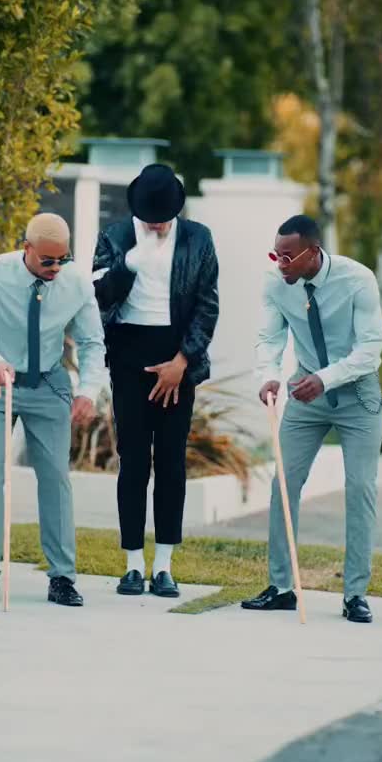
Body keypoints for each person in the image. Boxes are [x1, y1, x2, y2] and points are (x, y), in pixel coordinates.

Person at [241, 214, 382, 623]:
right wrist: (269, 375)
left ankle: (355, 594)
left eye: (287, 257)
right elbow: (270, 338)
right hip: (305, 390)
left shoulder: (357, 280)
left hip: (357, 391)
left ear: (313, 252)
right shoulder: (276, 284)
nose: (280, 264)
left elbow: (370, 349)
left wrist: (325, 379)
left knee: (360, 488)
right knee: (283, 483)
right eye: (275, 255)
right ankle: (281, 587)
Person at [0, 212, 105, 606]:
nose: (56, 268)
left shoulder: (77, 282)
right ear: (27, 248)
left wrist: (88, 391)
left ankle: (62, 578)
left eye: (63, 259)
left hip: (48, 382)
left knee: (56, 476)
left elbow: (92, 341)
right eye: (48, 260)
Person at [92, 164, 219, 597]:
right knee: (132, 460)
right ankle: (132, 565)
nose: (157, 226)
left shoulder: (198, 238)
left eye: (164, 219)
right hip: (128, 353)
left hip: (177, 354)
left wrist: (182, 361)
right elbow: (100, 297)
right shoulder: (114, 237)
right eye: (150, 219)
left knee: (170, 461)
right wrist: (128, 263)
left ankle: (164, 566)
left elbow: (207, 304)